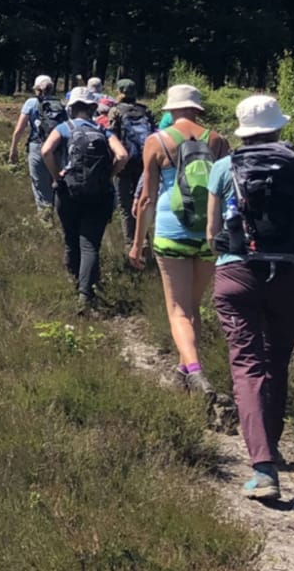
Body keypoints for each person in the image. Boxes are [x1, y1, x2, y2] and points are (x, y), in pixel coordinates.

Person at [207, 95, 294, 502]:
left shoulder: (222, 167)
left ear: (243, 130)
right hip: (289, 274)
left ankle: (263, 466)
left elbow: (212, 235)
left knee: (247, 367)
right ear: (279, 128)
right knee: (277, 363)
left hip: (237, 273)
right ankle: (271, 444)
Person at [127, 85, 229, 393]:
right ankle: (183, 371)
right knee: (193, 307)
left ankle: (196, 373)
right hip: (210, 233)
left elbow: (147, 198)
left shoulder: (156, 141)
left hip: (172, 231)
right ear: (198, 109)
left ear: (171, 110)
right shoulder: (218, 140)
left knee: (178, 310)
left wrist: (137, 242)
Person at [42, 87, 130, 311]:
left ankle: (74, 282)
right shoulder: (103, 131)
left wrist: (56, 176)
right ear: (93, 108)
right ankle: (85, 294)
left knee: (71, 241)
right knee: (90, 244)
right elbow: (122, 156)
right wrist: (108, 176)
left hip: (68, 191)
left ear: (71, 108)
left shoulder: (64, 128)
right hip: (99, 194)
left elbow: (45, 151)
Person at [105, 79, 155, 249]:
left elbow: (112, 137)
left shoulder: (115, 111)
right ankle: (144, 239)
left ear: (120, 92)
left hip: (124, 164)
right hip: (145, 163)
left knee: (125, 206)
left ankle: (129, 243)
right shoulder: (146, 110)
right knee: (142, 202)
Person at [11, 76, 67, 213]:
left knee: (40, 188)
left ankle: (46, 223)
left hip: (37, 146)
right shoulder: (61, 104)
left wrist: (13, 149)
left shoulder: (31, 103)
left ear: (36, 89)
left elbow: (19, 129)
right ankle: (60, 216)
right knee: (57, 182)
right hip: (57, 148)